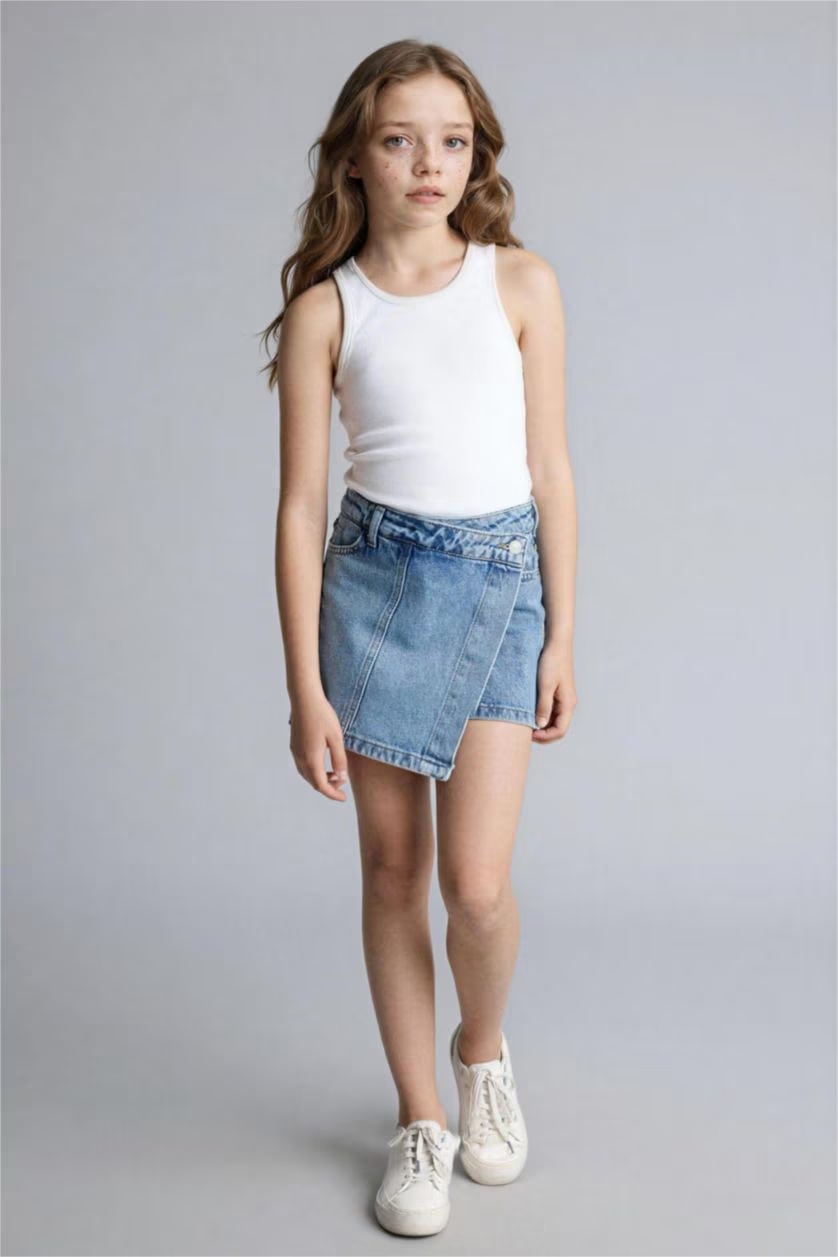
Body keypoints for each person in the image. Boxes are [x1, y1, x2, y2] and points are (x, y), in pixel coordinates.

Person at [261, 38, 578, 1238]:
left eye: (451, 140)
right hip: (375, 593)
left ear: (476, 155)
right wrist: (305, 686)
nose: (427, 163)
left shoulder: (520, 284)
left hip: (500, 582)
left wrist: (562, 635)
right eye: (399, 140)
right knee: (393, 875)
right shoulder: (324, 310)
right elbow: (299, 510)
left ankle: (480, 1053)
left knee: (475, 888)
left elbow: (551, 471)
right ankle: (418, 1118)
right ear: (356, 155)